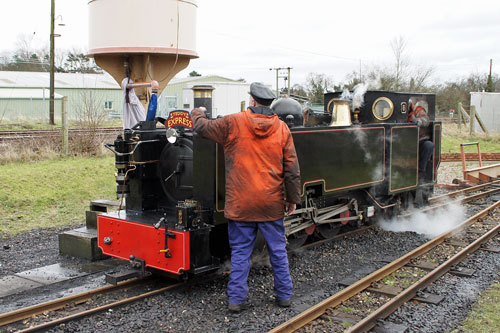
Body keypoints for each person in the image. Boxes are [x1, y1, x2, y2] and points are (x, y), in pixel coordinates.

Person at [191, 82, 301, 313]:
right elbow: (292, 169)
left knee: (241, 252)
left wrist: (197, 112)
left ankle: (236, 300)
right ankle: (284, 297)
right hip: (270, 204)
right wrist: (292, 199)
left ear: (251, 101)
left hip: (241, 203)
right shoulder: (282, 129)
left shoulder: (233, 122)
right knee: (278, 251)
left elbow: (202, 128)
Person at [408, 99, 434, 180]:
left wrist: (419, 121)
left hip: (420, 140)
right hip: (406, 142)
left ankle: (420, 172)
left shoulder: (418, 110)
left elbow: (425, 119)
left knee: (428, 145)